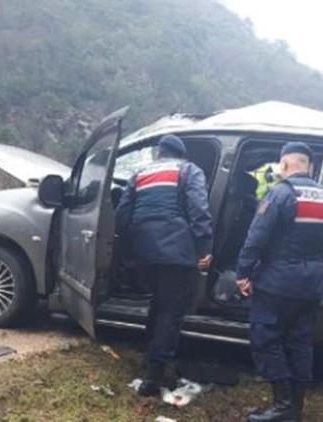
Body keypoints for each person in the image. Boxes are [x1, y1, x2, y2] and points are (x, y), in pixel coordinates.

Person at [236, 142, 323, 422]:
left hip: (278, 283)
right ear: (309, 166)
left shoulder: (279, 194)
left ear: (283, 165)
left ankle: (281, 406)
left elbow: (257, 237)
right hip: (312, 284)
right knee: (300, 343)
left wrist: (243, 272)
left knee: (266, 337)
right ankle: (296, 408)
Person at [115, 134, 214, 396]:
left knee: (157, 304)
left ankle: (149, 360)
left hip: (145, 252)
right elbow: (199, 209)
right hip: (177, 252)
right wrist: (204, 247)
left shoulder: (140, 174)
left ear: (160, 153)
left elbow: (123, 214)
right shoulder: (189, 170)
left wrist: (127, 249)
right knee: (171, 312)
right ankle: (154, 377)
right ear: (181, 154)